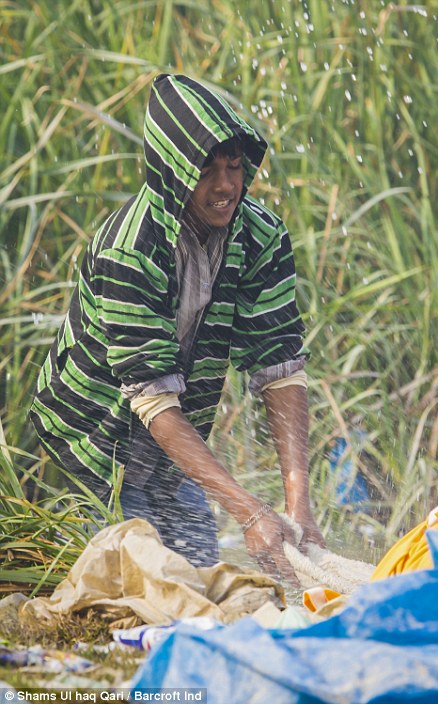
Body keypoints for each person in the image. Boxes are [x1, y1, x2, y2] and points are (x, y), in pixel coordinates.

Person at [30, 73, 325, 583]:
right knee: (126, 591)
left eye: (235, 167)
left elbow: (279, 365)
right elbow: (152, 397)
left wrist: (298, 500)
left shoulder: (259, 236)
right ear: (173, 171)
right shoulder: (131, 247)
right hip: (94, 438)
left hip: (172, 442)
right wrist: (249, 511)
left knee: (201, 576)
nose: (227, 185)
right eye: (207, 171)